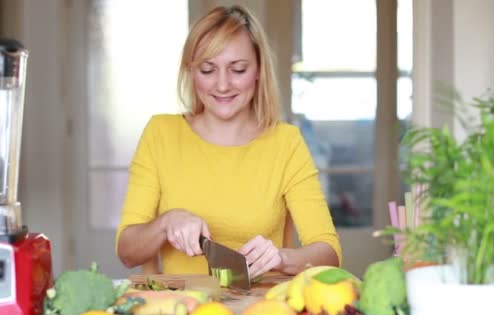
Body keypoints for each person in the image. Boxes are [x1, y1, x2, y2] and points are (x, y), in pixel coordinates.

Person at [116, 5, 341, 278]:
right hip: (180, 309)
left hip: (263, 309)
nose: (222, 85)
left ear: (258, 70)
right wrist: (167, 222)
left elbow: (329, 253)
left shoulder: (286, 143)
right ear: (191, 71)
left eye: (238, 69)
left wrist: (281, 258)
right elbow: (127, 252)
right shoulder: (161, 133)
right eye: (208, 70)